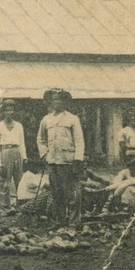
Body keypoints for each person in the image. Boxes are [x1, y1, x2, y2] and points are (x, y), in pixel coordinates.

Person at [37, 88, 84, 226]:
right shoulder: (46, 119)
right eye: (54, 99)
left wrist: (78, 160)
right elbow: (40, 139)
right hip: (52, 160)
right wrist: (44, 153)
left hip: (68, 161)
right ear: (50, 102)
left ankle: (74, 221)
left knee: (73, 193)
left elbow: (79, 141)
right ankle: (60, 220)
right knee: (57, 192)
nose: (57, 102)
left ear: (65, 101)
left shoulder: (72, 119)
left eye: (60, 99)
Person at [0, 99, 26, 213]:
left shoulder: (19, 126)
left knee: (20, 180)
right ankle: (4, 206)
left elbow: (22, 143)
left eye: (11, 109)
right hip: (5, 152)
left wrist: (24, 157)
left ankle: (21, 206)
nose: (10, 112)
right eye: (7, 110)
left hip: (17, 152)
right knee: (4, 180)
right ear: (3, 112)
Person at [99, 150, 135, 214]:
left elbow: (127, 183)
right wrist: (110, 188)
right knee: (119, 187)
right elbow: (117, 182)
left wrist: (113, 194)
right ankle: (108, 209)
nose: (131, 158)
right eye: (129, 157)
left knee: (130, 188)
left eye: (134, 157)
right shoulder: (125, 171)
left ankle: (125, 209)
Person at [17, 159, 53, 227]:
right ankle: (50, 216)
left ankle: (45, 215)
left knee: (46, 193)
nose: (39, 169)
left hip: (26, 201)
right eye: (37, 167)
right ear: (32, 167)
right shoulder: (30, 175)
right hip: (26, 203)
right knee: (50, 193)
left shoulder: (29, 174)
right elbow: (48, 186)